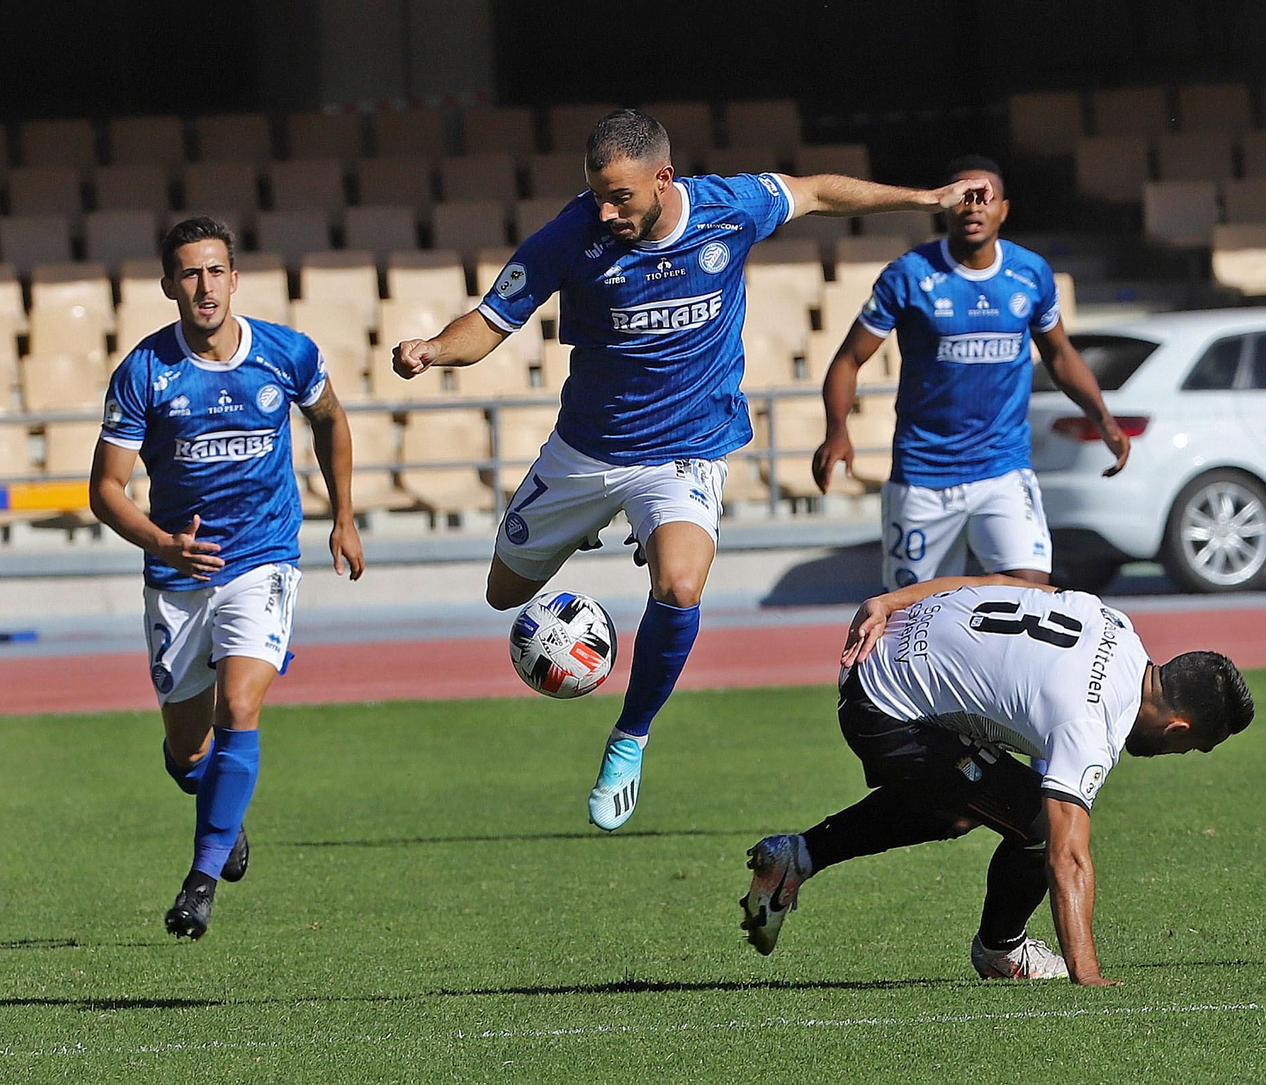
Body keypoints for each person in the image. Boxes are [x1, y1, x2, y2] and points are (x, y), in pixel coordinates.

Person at [392, 109, 992, 833]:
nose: (605, 210)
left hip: (684, 450)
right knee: (503, 594)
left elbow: (818, 192)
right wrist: (431, 349)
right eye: (596, 194)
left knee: (678, 584)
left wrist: (926, 201)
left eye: (621, 197)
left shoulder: (728, 209)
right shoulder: (569, 234)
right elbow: (490, 322)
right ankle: (591, 529)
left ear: (664, 179)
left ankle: (630, 736)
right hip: (585, 451)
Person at [739, 574, 1253, 984]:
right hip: (885, 709)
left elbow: (1002, 580)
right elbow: (1067, 857)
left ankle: (797, 856)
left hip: (883, 652)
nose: (1181, 753)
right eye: (1194, 747)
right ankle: (1001, 951)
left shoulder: (1109, 619)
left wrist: (890, 601)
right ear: (1179, 727)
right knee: (1035, 823)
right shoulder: (1091, 724)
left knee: (963, 801)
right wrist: (1089, 976)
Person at [89, 217, 365, 940]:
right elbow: (106, 488)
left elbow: (331, 420)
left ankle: (201, 877)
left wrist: (343, 515)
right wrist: (162, 543)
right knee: (187, 750)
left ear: (235, 278)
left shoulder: (288, 354)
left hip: (263, 557)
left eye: (215, 271)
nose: (204, 286)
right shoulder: (145, 372)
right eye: (189, 273)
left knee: (240, 706)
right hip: (177, 570)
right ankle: (220, 808)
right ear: (168, 285)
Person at [812, 155, 1132, 591]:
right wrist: (837, 431)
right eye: (963, 197)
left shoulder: (1030, 274)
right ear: (945, 205)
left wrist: (1104, 419)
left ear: (1003, 209)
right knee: (910, 614)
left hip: (1002, 469)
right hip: (923, 476)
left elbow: (1060, 356)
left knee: (1032, 591)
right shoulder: (909, 275)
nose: (973, 207)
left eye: (985, 198)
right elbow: (849, 360)